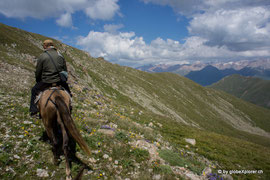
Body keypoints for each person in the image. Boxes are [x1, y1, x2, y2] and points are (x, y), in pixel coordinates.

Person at [30, 39, 72, 116]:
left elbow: (38, 71)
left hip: (46, 81)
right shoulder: (60, 55)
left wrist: (38, 80)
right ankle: (70, 107)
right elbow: (65, 70)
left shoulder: (42, 56)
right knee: (68, 92)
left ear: (45, 46)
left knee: (34, 90)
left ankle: (33, 109)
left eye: (43, 45)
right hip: (59, 81)